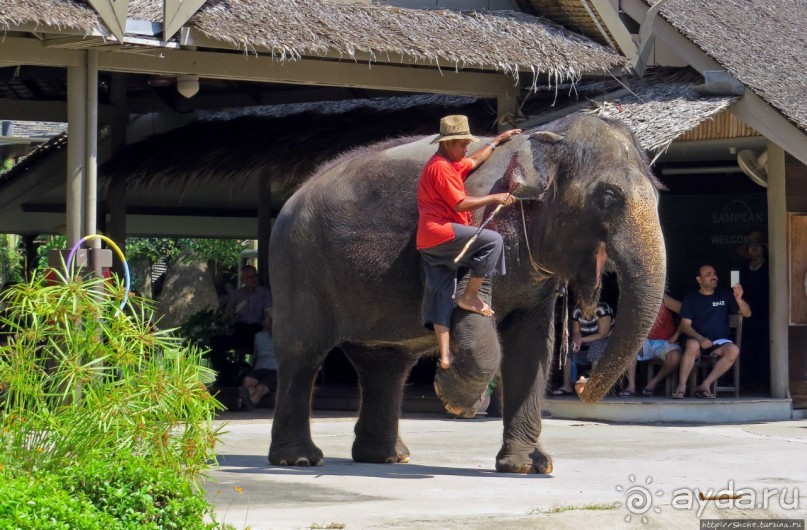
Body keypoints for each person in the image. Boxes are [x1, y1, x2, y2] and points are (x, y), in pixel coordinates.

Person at [417, 114, 521, 369]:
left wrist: (496, 142)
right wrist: (495, 197)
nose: (466, 148)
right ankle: (470, 296)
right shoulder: (440, 168)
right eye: (462, 144)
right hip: (441, 233)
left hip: (428, 242)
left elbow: (474, 160)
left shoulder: (450, 163)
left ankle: (444, 356)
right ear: (448, 143)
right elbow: (459, 203)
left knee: (441, 292)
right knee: (493, 241)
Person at [674, 264, 751, 399]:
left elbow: (747, 313)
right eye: (708, 275)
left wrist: (738, 298)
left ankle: (705, 385)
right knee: (692, 345)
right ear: (699, 279)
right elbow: (685, 325)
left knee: (734, 350)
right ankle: (681, 387)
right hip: (698, 341)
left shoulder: (725, 295)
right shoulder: (691, 298)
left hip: (719, 342)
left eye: (714, 274)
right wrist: (700, 338)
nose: (713, 277)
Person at [209, 264, 273, 379]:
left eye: (255, 276)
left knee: (263, 338)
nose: (253, 279)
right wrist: (231, 314)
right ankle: (227, 372)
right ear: (243, 279)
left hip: (257, 330)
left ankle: (257, 375)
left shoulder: (264, 293)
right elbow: (225, 319)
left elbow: (269, 313)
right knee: (215, 341)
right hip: (240, 330)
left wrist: (267, 321)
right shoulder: (237, 295)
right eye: (249, 277)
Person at [621, 294, 682, 397]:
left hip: (665, 342)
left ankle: (653, 383)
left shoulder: (662, 297)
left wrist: (676, 336)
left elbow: (687, 315)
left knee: (675, 356)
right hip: (645, 342)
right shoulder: (632, 298)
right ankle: (631, 386)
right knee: (629, 347)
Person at [551, 300, 614, 396]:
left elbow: (603, 334)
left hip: (604, 343)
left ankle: (594, 387)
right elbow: (576, 332)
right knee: (568, 349)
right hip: (585, 343)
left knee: (596, 348)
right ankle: (567, 385)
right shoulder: (577, 310)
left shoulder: (602, 309)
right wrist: (577, 341)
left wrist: (582, 340)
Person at [737, 231, 770, 393]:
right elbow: (734, 288)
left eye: (758, 246)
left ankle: (765, 382)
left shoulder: (770, 268)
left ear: (763, 248)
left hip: (766, 314)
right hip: (746, 314)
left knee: (764, 349)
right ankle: (747, 383)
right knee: (746, 348)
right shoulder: (742, 269)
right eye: (751, 246)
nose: (754, 249)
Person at [239, 311, 277, 411]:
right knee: (248, 381)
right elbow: (255, 355)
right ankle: (246, 400)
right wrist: (252, 368)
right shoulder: (259, 336)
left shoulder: (284, 337)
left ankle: (248, 404)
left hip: (275, 370)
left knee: (261, 388)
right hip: (260, 368)